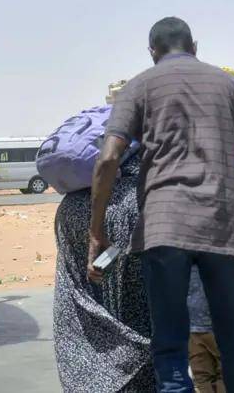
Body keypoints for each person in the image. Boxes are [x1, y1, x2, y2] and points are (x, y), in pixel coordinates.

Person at [88, 17, 234, 393]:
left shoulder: (137, 87)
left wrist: (96, 232)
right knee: (233, 334)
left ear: (152, 52)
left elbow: (107, 160)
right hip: (222, 224)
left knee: (170, 343)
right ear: (195, 46)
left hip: (163, 226)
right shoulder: (229, 86)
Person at [53, 154, 155, 392]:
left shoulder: (69, 204)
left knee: (82, 291)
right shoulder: (143, 198)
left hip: (78, 217)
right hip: (134, 216)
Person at [187, 266, 224, 393]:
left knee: (201, 377)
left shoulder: (179, 252)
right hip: (218, 323)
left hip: (191, 324)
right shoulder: (218, 251)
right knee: (226, 373)